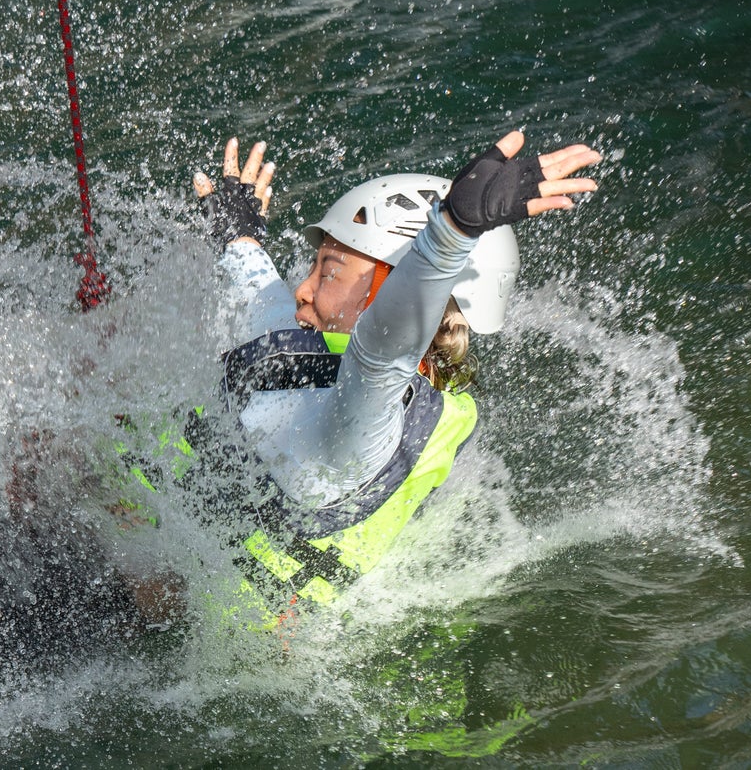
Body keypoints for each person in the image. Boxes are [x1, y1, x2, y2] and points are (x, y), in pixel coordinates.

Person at [164, 128, 601, 615]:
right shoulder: (323, 368)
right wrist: (237, 235)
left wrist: (450, 232)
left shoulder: (363, 420)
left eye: (328, 271)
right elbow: (261, 296)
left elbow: (384, 346)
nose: (303, 290)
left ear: (383, 294)